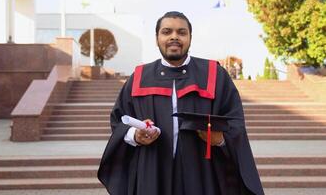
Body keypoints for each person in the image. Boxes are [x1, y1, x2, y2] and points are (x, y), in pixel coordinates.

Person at [98, 11, 264, 195]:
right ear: (157, 38)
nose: (174, 37)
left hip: (202, 172)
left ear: (190, 38)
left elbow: (235, 122)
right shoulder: (139, 77)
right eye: (167, 32)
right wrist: (135, 135)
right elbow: (119, 121)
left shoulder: (215, 75)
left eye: (181, 32)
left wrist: (221, 139)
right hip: (153, 171)